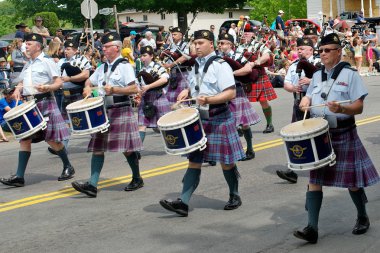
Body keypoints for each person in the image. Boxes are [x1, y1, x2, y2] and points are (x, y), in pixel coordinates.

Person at [293, 33, 380, 244]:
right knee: (315, 181)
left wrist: (341, 107)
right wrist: (305, 100)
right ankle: (311, 228)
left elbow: (358, 107)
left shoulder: (350, 75)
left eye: (327, 50)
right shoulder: (316, 76)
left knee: (352, 181)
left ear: (338, 52)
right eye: (320, 51)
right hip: (320, 133)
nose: (322, 54)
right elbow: (310, 95)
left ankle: (362, 216)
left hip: (344, 131)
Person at [159, 29, 245, 217]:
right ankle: (183, 202)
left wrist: (209, 100)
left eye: (201, 43)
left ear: (211, 45)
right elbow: (199, 85)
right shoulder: (196, 65)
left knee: (226, 162)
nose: (197, 46)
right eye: (195, 43)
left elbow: (230, 93)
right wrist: (187, 92)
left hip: (219, 116)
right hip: (200, 119)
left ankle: (234, 195)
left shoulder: (221, 65)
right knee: (194, 161)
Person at [71, 32, 143, 197]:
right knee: (97, 147)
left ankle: (137, 178)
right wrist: (87, 87)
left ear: (116, 48)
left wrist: (116, 89)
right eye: (103, 46)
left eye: (106, 46)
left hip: (120, 108)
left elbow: (134, 89)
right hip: (102, 111)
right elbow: (90, 80)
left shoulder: (125, 66)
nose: (103, 49)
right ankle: (92, 185)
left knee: (127, 148)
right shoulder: (102, 67)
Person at [0, 33, 75, 187]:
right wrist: (18, 89)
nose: (25, 46)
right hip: (29, 105)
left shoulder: (46, 61)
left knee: (51, 139)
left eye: (28, 44)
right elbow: (22, 81)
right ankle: (19, 176)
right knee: (25, 138)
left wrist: (48, 87)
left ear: (38, 46)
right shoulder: (29, 63)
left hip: (45, 102)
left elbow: (58, 83)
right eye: (25, 44)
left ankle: (68, 166)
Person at [276, 37, 320, 183]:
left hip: (315, 104)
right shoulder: (294, 64)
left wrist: (311, 81)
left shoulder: (318, 63)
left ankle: (322, 165)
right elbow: (286, 83)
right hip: (298, 103)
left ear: (311, 50)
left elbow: (327, 80)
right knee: (295, 136)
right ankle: (293, 171)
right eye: (298, 49)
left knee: (317, 136)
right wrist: (293, 88)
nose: (299, 51)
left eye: (302, 48)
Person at [217, 33, 260, 160]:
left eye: (222, 43)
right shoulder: (216, 57)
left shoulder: (237, 56)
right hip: (221, 92)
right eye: (219, 43)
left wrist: (230, 74)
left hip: (236, 91)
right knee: (229, 124)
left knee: (243, 124)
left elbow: (247, 70)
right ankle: (236, 151)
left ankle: (250, 149)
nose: (219, 45)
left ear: (230, 45)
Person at [53, 40, 91, 153]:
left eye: (69, 49)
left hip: (77, 92)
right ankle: (63, 147)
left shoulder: (82, 60)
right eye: (65, 49)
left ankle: (96, 141)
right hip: (64, 93)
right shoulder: (61, 61)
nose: (66, 51)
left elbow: (86, 75)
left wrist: (70, 79)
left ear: (75, 50)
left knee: (83, 118)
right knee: (65, 121)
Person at [234, 42, 278, 133]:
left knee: (263, 101)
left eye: (249, 32)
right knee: (241, 102)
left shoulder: (259, 45)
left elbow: (267, 56)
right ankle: (241, 125)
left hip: (259, 75)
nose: (246, 34)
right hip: (244, 76)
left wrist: (256, 62)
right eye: (245, 32)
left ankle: (270, 124)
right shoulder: (239, 46)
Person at [136, 45, 171, 149]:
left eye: (145, 55)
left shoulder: (157, 66)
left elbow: (165, 79)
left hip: (158, 96)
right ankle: (137, 149)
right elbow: (140, 86)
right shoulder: (141, 69)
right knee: (141, 124)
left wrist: (149, 86)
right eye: (141, 56)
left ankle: (174, 145)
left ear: (151, 56)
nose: (142, 58)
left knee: (165, 124)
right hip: (146, 98)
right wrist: (138, 94)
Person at [161, 27, 191, 105]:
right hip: (172, 73)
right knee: (170, 97)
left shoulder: (185, 45)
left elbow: (184, 57)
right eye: (172, 34)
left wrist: (170, 65)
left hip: (182, 73)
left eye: (175, 34)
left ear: (181, 36)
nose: (173, 36)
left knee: (181, 98)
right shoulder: (171, 46)